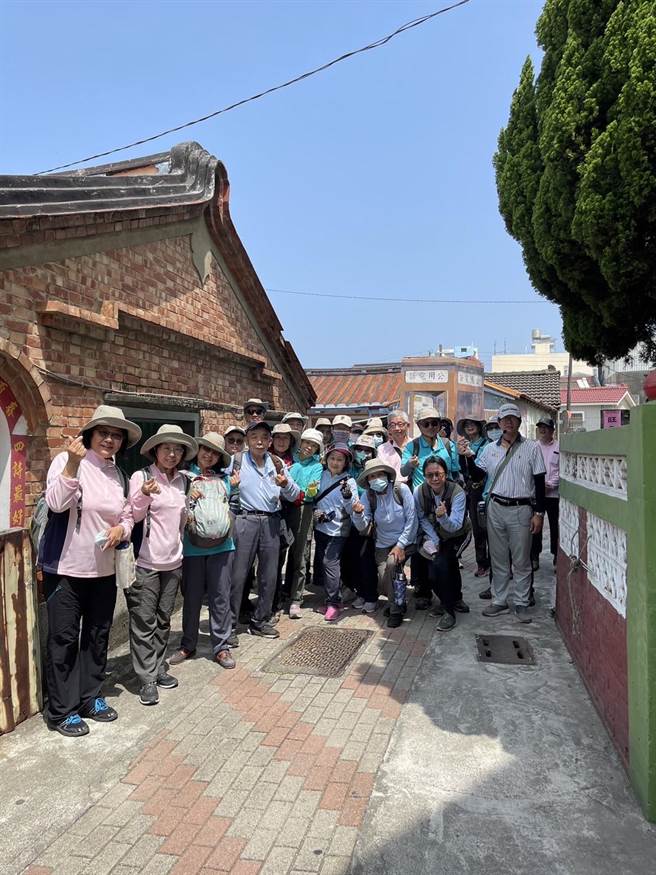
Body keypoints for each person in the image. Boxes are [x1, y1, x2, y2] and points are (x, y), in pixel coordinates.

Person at [40, 405, 141, 737]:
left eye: (116, 435)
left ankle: (89, 697)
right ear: (90, 435)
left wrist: (121, 531)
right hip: (66, 570)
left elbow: (127, 515)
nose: (110, 440)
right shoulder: (67, 462)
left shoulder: (117, 474)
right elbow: (56, 503)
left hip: (103, 571)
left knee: (97, 637)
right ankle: (61, 710)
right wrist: (71, 464)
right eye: (104, 433)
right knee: (64, 640)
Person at [127, 425, 198, 706]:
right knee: (143, 621)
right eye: (166, 448)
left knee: (163, 618)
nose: (172, 454)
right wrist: (144, 493)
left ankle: (157, 668)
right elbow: (132, 514)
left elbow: (181, 520)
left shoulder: (184, 481)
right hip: (145, 562)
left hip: (173, 561)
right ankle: (146, 679)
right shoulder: (141, 476)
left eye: (178, 449)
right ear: (155, 450)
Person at [462, 403, 546, 623]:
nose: (508, 422)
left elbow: (539, 481)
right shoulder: (489, 450)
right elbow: (478, 476)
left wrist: (539, 513)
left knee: (521, 560)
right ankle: (499, 600)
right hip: (496, 508)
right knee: (498, 559)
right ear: (498, 423)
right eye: (504, 419)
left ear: (519, 422)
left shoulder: (532, 447)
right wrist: (468, 457)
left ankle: (521, 602)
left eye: (513, 418)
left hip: (522, 508)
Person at [169, 433, 236, 671]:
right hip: (192, 548)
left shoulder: (226, 480)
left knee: (220, 597)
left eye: (215, 452)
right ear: (197, 450)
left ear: (219, 457)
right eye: (205, 449)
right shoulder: (183, 478)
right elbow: (175, 509)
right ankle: (188, 644)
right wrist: (188, 499)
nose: (209, 455)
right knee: (192, 598)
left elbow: (233, 506)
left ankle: (222, 646)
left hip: (223, 547)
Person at [229, 421, 300, 640]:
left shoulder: (277, 463)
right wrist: (231, 485)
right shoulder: (236, 461)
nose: (259, 441)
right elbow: (221, 485)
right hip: (245, 520)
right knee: (238, 575)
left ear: (270, 441)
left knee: (269, 575)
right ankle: (229, 625)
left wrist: (285, 483)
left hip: (271, 521)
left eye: (264, 437)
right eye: (254, 437)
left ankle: (260, 621)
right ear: (247, 440)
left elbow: (296, 494)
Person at [401, 407, 457, 610]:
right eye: (426, 423)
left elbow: (455, 473)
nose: (431, 427)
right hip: (420, 504)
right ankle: (422, 590)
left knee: (445, 547)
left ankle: (451, 593)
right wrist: (410, 464)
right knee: (420, 549)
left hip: (444, 503)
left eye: (435, 423)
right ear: (418, 426)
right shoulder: (412, 447)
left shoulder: (448, 446)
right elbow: (403, 471)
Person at [351, 459, 417, 628]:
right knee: (383, 579)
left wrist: (400, 545)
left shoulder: (401, 490)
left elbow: (412, 520)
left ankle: (395, 610)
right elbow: (363, 526)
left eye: (379, 474)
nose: (376, 479)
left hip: (406, 540)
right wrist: (358, 514)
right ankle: (398, 601)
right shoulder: (369, 496)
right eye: (372, 476)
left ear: (387, 475)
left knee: (392, 565)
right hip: (382, 543)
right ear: (367, 481)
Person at [415, 456, 470, 631]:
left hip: (459, 534)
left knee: (448, 563)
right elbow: (422, 518)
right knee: (438, 567)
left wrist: (442, 516)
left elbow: (454, 526)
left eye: (438, 474)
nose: (434, 479)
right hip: (436, 535)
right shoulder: (420, 492)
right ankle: (452, 599)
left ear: (445, 474)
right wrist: (435, 539)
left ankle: (449, 610)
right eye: (429, 475)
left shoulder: (457, 492)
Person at [313, 443, 359, 621]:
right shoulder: (321, 475)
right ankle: (329, 599)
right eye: (332, 458)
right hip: (320, 527)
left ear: (346, 462)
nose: (335, 462)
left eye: (340, 459)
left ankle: (334, 602)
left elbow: (352, 508)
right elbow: (313, 495)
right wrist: (316, 510)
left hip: (338, 530)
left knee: (330, 563)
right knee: (323, 563)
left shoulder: (349, 482)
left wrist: (347, 497)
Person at [286, 428, 323, 618]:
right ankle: (279, 595)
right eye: (307, 442)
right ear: (300, 443)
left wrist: (303, 491)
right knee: (278, 553)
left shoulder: (317, 466)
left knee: (301, 554)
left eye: (314, 445)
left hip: (303, 509)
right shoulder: (290, 459)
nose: (309, 447)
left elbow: (311, 491)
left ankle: (296, 598)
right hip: (282, 506)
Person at [340, 434, 378, 610]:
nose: (363, 453)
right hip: (347, 519)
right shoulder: (346, 468)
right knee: (350, 558)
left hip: (367, 519)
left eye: (367, 450)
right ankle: (357, 590)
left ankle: (368, 595)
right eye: (360, 449)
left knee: (366, 558)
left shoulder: (375, 469)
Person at [456, 418, 490, 577]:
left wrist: (470, 455)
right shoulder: (465, 445)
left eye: (472, 424)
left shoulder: (488, 444)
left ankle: (495, 562)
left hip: (487, 487)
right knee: (477, 527)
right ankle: (481, 562)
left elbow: (483, 468)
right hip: (472, 490)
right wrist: (461, 454)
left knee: (491, 528)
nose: (469, 427)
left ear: (479, 426)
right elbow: (463, 469)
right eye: (466, 425)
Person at [531, 417, 559, 571]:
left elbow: (561, 469)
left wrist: (550, 484)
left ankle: (556, 556)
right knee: (535, 526)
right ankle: (534, 556)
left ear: (552, 430)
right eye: (540, 427)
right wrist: (540, 486)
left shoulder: (559, 447)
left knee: (555, 526)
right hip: (537, 494)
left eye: (546, 427)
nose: (543, 430)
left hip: (554, 494)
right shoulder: (533, 447)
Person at [377, 411, 411, 483]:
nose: (397, 428)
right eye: (392, 425)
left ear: (408, 426)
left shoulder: (415, 444)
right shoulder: (382, 449)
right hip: (393, 488)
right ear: (388, 428)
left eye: (400, 424)